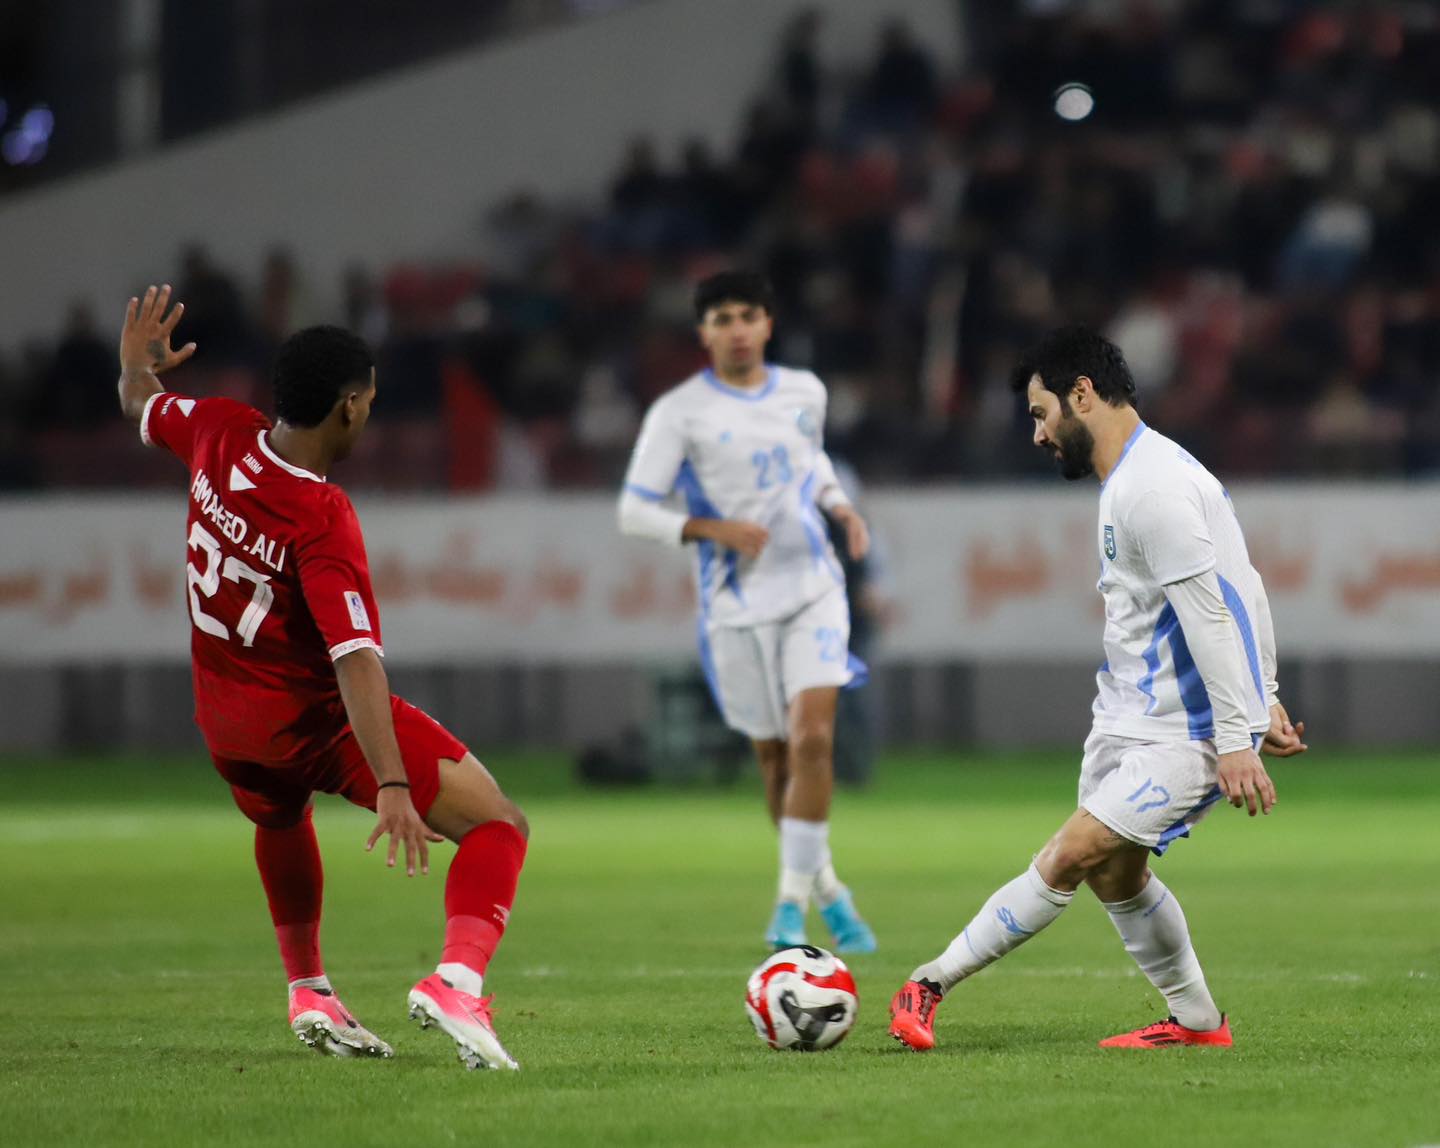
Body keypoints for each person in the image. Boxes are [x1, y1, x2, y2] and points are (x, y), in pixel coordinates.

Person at [118, 285, 529, 1070]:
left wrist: (134, 363)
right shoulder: (319, 514)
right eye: (368, 400)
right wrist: (394, 785)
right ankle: (456, 981)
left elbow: (142, 401)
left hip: (227, 732)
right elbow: (356, 658)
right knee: (498, 825)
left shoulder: (217, 429)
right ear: (347, 406)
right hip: (310, 727)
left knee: (279, 822)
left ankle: (309, 989)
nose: (369, 413)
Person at [889, 326, 1308, 1051]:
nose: (1038, 434)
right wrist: (1263, 690)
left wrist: (1238, 733)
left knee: (1069, 854)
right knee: (1116, 877)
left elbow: (1215, 608)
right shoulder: (1139, 480)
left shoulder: (1154, 490)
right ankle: (1199, 1024)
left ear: (1082, 393)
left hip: (1185, 732)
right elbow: (1248, 588)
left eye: (1040, 412)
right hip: (1126, 720)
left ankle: (927, 982)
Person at [617, 270, 877, 953]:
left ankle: (787, 908)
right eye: (721, 318)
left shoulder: (804, 391)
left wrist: (838, 502)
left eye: (747, 315)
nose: (735, 329)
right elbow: (634, 508)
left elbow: (811, 460)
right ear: (703, 333)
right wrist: (710, 529)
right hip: (735, 605)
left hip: (813, 586)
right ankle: (828, 891)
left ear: (768, 323)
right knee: (774, 758)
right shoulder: (680, 413)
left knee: (813, 738)